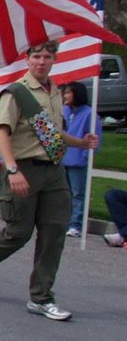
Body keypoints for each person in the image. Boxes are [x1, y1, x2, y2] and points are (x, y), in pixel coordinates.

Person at [0, 41, 99, 321]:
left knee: (54, 234)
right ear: (28, 59)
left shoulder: (55, 92)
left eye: (48, 57)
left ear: (53, 60)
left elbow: (53, 133)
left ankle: (41, 297)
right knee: (18, 233)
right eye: (37, 56)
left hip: (53, 171)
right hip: (22, 168)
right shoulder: (16, 93)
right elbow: (1, 133)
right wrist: (12, 170)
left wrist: (81, 143)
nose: (42, 62)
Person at [61, 80, 101, 237]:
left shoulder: (89, 114)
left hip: (78, 161)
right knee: (64, 193)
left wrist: (85, 157)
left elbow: (94, 139)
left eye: (68, 92)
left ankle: (75, 224)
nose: (65, 95)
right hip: (62, 158)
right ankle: (63, 221)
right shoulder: (64, 111)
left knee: (78, 193)